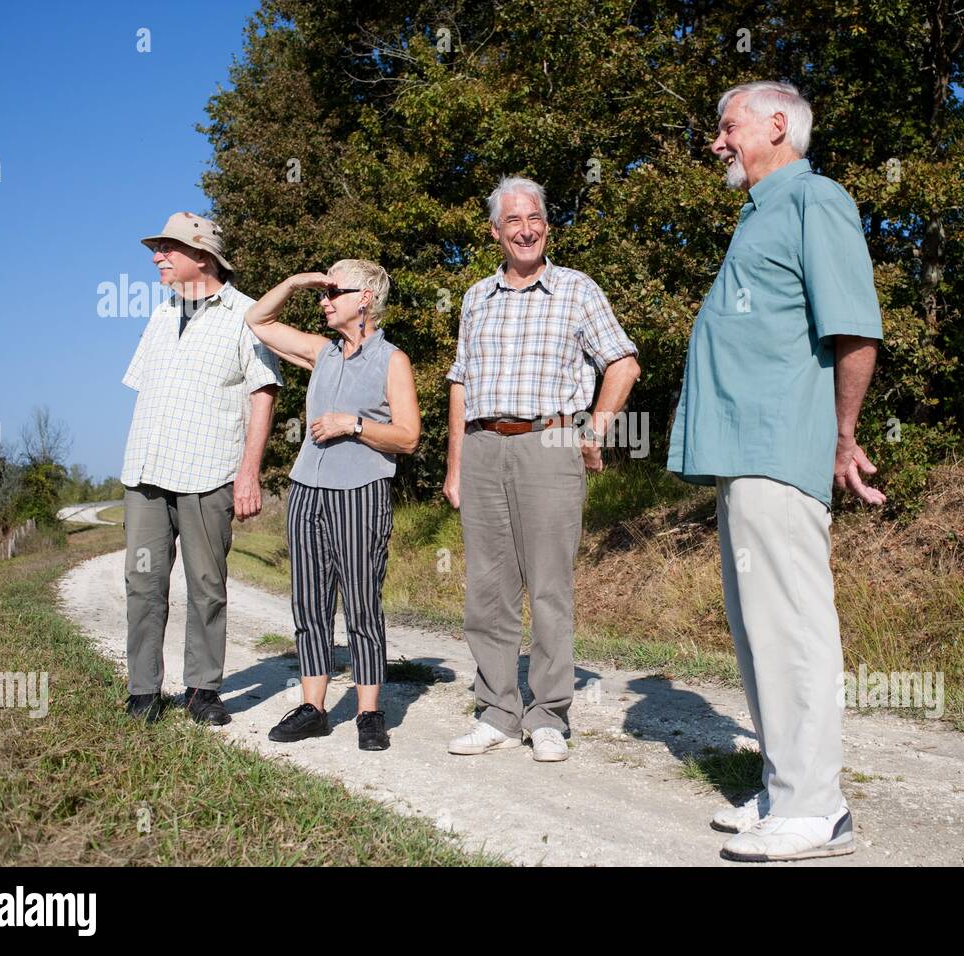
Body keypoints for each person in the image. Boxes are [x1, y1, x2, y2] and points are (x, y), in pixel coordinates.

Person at [666, 81, 886, 861]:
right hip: (741, 457)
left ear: (777, 126)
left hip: (779, 449)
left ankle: (816, 808)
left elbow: (854, 327)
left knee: (792, 626)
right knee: (758, 629)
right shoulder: (758, 213)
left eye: (728, 127)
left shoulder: (813, 199)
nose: (718, 142)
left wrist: (841, 436)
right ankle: (784, 783)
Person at [443, 176, 640, 761]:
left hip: (550, 444)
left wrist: (593, 430)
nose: (525, 230)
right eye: (513, 222)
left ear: (546, 226)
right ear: (495, 233)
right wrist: (455, 465)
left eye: (534, 219)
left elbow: (623, 363)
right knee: (487, 589)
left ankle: (549, 714)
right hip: (482, 447)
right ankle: (497, 711)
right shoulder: (475, 297)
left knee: (550, 586)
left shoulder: (576, 290)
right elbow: (460, 383)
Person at [243, 259, 420, 751]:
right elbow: (257, 320)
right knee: (310, 603)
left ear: (365, 298)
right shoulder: (322, 353)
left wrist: (355, 426)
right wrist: (299, 281)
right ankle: (314, 708)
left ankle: (368, 713)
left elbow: (408, 437)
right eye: (321, 293)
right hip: (307, 491)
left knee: (362, 605)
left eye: (333, 291)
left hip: (362, 491)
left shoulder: (392, 360)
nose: (324, 300)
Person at [122, 212, 282, 725]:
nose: (156, 258)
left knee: (207, 585)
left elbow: (263, 393)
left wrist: (249, 472)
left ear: (203, 257)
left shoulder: (248, 314)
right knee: (142, 583)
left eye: (167, 249)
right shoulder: (160, 315)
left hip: (210, 470)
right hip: (146, 470)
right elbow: (146, 390)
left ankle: (202, 691)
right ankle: (143, 692)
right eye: (158, 249)